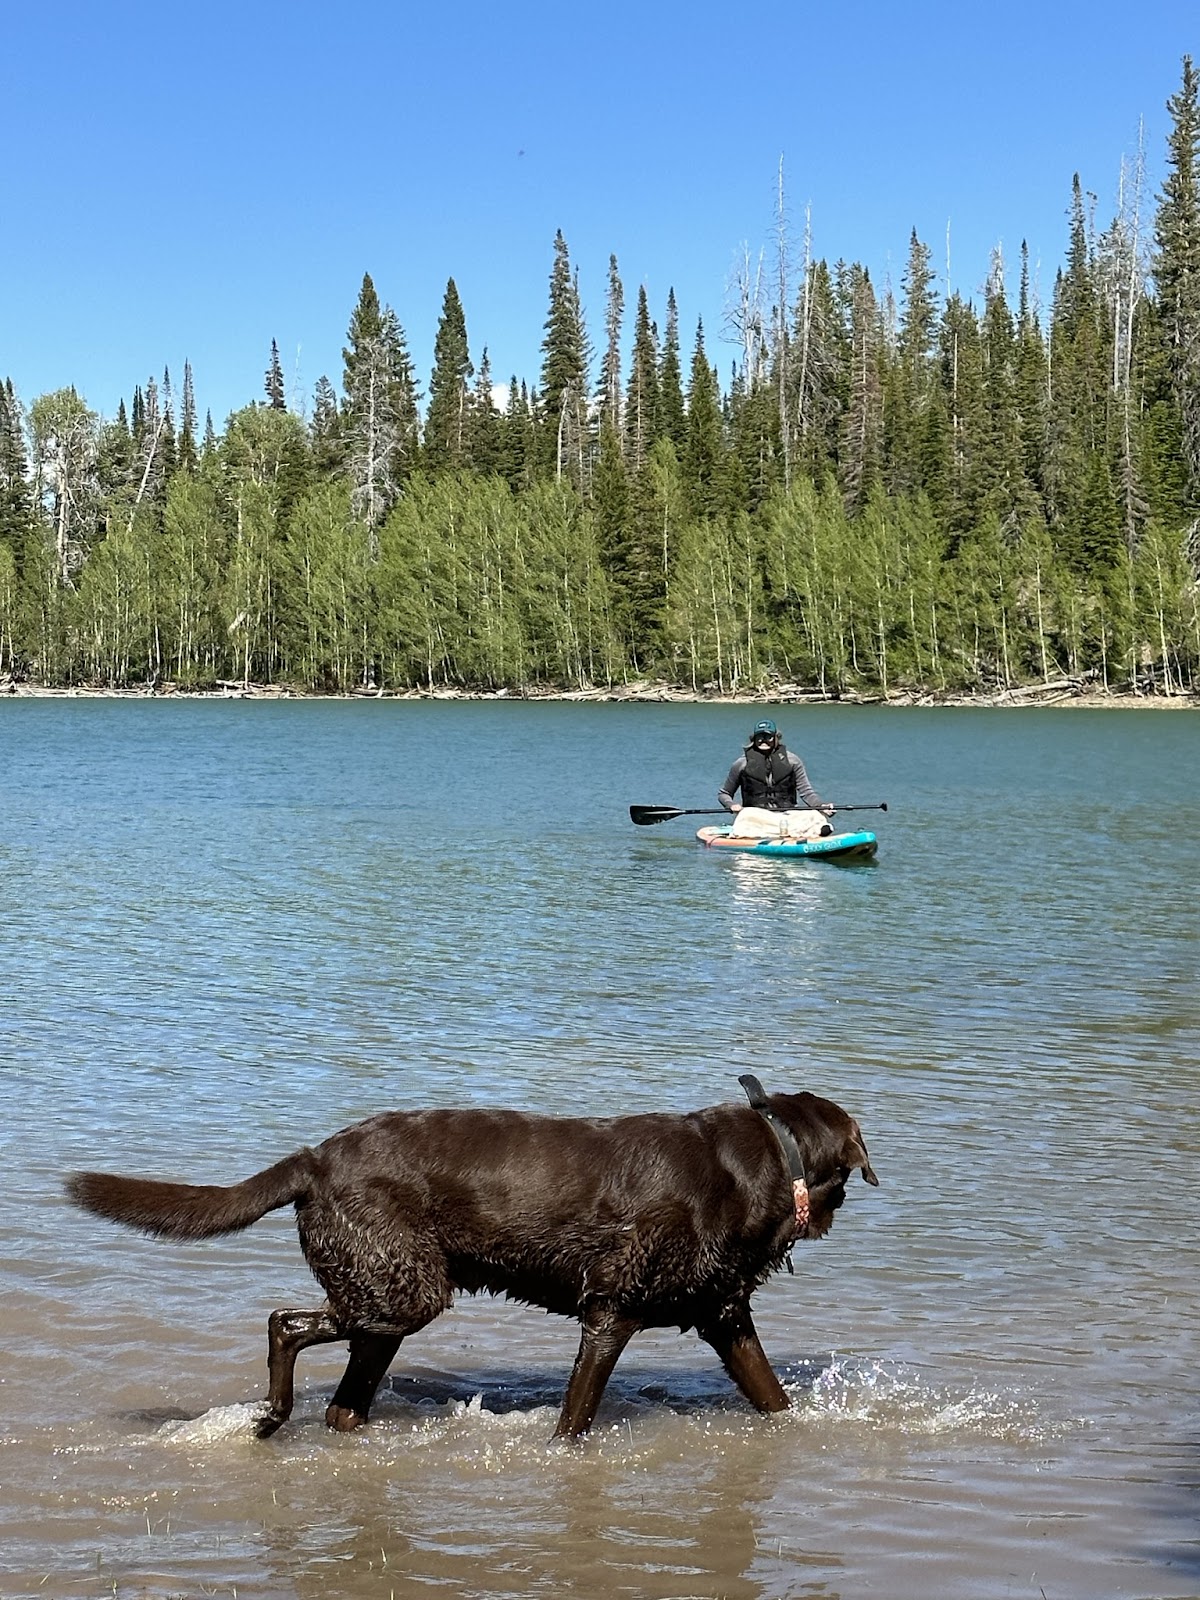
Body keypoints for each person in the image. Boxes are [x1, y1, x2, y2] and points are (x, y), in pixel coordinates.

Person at [718, 720, 835, 839]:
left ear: (776, 738)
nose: (763, 740)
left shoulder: (793, 761)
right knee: (746, 814)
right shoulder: (741, 764)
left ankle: (819, 831)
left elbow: (806, 792)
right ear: (753, 739)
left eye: (768, 736)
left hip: (787, 815)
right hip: (758, 816)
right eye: (760, 736)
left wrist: (821, 805)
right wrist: (731, 805)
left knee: (815, 814)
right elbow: (724, 794)